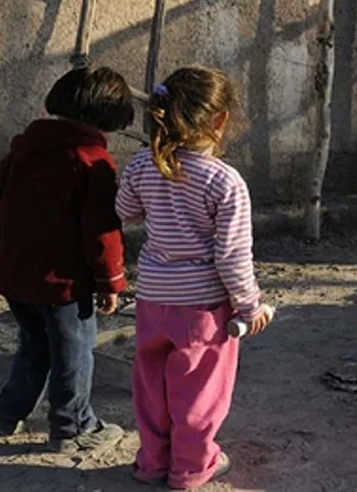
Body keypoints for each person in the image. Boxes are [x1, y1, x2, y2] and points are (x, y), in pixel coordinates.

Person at [115, 66, 271, 490]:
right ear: (220, 121)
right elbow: (233, 256)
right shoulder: (225, 181)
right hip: (202, 309)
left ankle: (151, 462)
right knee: (199, 391)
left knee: (151, 387)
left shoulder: (142, 165)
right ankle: (190, 467)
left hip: (152, 300)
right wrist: (250, 305)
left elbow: (125, 212)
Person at [0, 66, 133, 453]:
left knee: (34, 345)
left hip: (17, 276)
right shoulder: (92, 161)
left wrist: (6, 255)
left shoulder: (21, 151)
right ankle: (73, 427)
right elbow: (102, 231)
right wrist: (111, 282)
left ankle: (8, 412)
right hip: (65, 284)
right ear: (107, 117)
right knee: (74, 352)